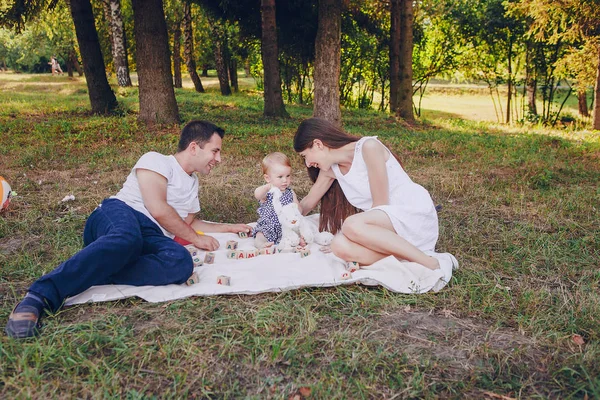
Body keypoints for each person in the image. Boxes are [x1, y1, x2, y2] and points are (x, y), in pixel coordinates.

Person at [5, 120, 251, 339]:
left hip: (151, 235)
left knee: (180, 263)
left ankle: (101, 266)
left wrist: (228, 227)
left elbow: (188, 224)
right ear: (194, 147)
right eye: (215, 151)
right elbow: (159, 209)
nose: (218, 159)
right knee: (127, 239)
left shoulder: (193, 184)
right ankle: (40, 295)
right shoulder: (156, 160)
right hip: (119, 214)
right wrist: (195, 239)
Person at [293, 117, 457, 271]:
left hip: (410, 212)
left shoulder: (368, 148)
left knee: (350, 225)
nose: (308, 163)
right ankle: (407, 256)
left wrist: (355, 236)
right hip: (383, 229)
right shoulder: (330, 170)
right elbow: (307, 203)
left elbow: (381, 205)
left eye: (305, 156)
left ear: (318, 144)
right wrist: (285, 208)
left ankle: (429, 262)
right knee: (338, 245)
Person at [252, 152, 304, 248]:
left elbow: (299, 210)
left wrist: (295, 211)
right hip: (269, 226)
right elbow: (257, 195)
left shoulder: (290, 193)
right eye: (280, 177)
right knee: (260, 235)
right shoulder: (268, 192)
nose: (285, 180)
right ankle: (261, 244)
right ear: (268, 178)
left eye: (288, 176)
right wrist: (267, 187)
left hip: (286, 227)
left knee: (297, 232)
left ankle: (298, 241)